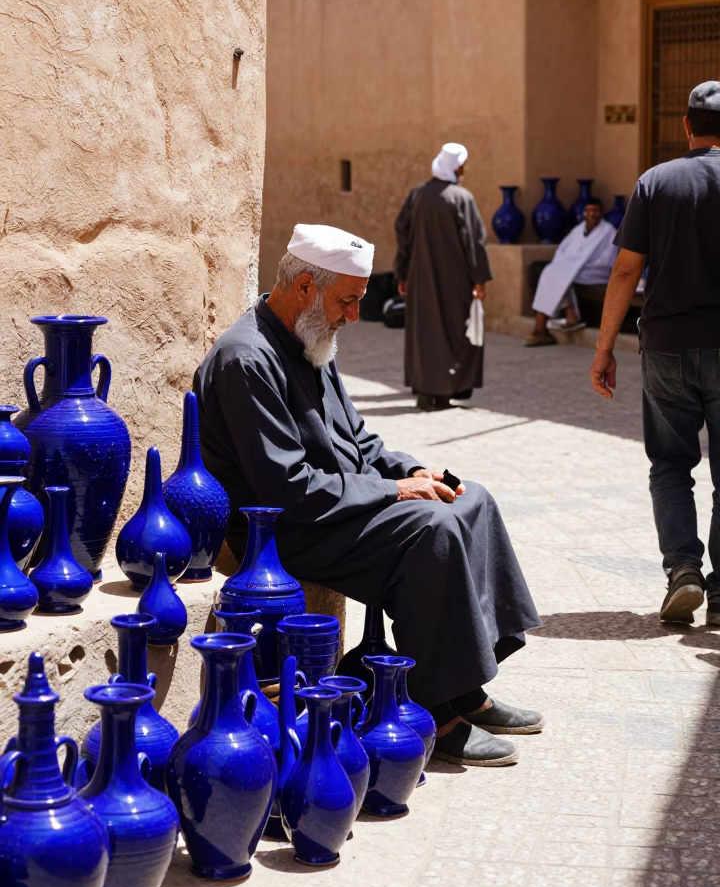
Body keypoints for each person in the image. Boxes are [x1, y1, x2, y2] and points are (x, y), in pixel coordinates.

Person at [194, 222, 543, 766]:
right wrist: (395, 491)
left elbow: (360, 440)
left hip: (337, 508)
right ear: (305, 286)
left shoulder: (311, 339)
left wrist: (418, 472)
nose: (354, 316)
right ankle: (437, 712)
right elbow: (287, 488)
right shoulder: (247, 359)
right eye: (347, 301)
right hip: (288, 530)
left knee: (469, 499)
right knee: (433, 529)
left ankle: (466, 688)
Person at [590, 81, 720, 626]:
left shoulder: (655, 182)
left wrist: (604, 349)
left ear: (686, 127)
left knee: (670, 464)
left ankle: (683, 571)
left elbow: (625, 269)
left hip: (665, 345)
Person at [394, 142, 491, 411]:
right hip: (455, 281)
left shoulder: (417, 195)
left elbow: (403, 236)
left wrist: (402, 273)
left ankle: (428, 393)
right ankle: (445, 392)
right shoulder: (462, 198)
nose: (464, 170)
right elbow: (474, 242)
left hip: (420, 279)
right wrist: (479, 280)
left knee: (426, 333)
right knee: (453, 333)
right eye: (462, 165)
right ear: (456, 166)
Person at [526, 198, 617, 347]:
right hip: (573, 268)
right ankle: (566, 316)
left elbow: (608, 259)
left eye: (595, 211)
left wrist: (578, 263)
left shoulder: (609, 231)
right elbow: (563, 249)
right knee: (554, 272)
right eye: (589, 211)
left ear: (601, 212)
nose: (592, 214)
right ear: (584, 213)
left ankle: (542, 326)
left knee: (559, 273)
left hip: (595, 271)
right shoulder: (578, 229)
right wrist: (569, 263)